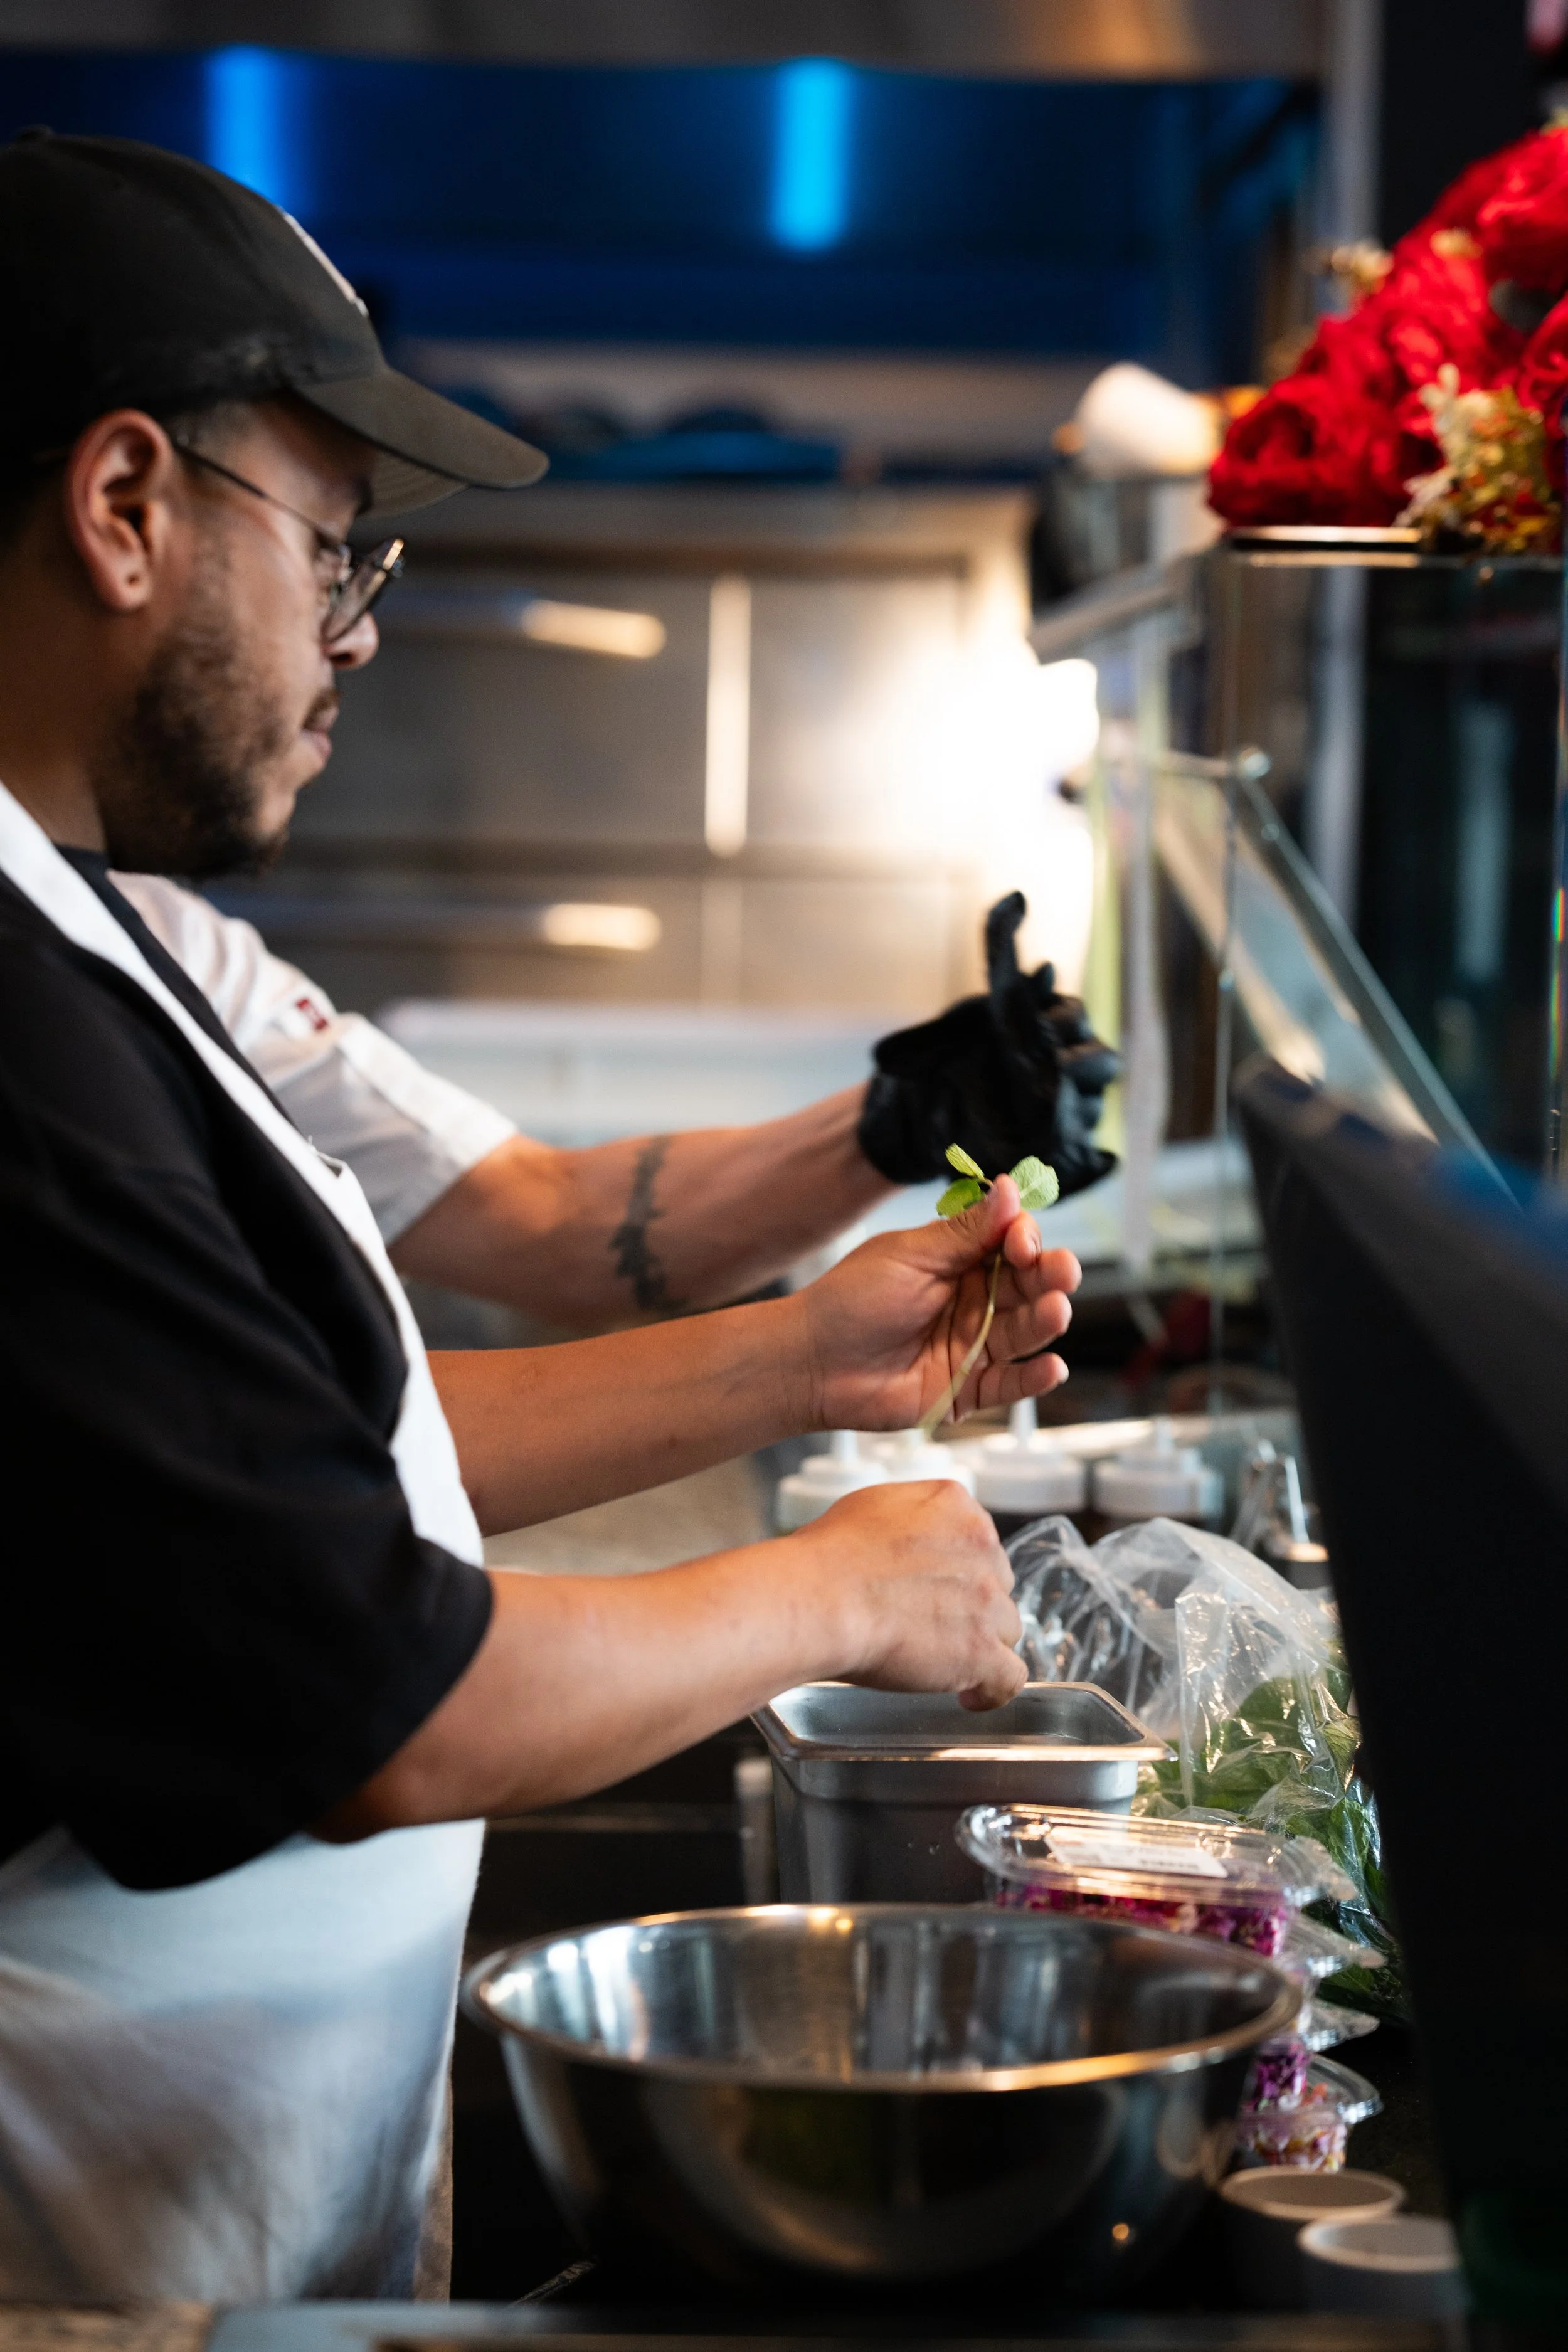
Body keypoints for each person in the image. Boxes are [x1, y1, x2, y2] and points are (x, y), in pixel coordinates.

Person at [0, 132, 1082, 2304]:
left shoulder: (80, 935)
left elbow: (255, 1465)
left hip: (210, 2228)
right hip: (80, 2266)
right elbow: (371, 1701)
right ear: (125, 510)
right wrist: (838, 1588)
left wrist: (806, 1353)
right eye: (333, 548)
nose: (355, 635)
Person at [110, 881, 1116, 1333]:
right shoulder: (71, 969)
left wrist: (898, 1122)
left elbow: (547, 1218)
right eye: (325, 552)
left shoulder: (175, 949)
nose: (353, 639)